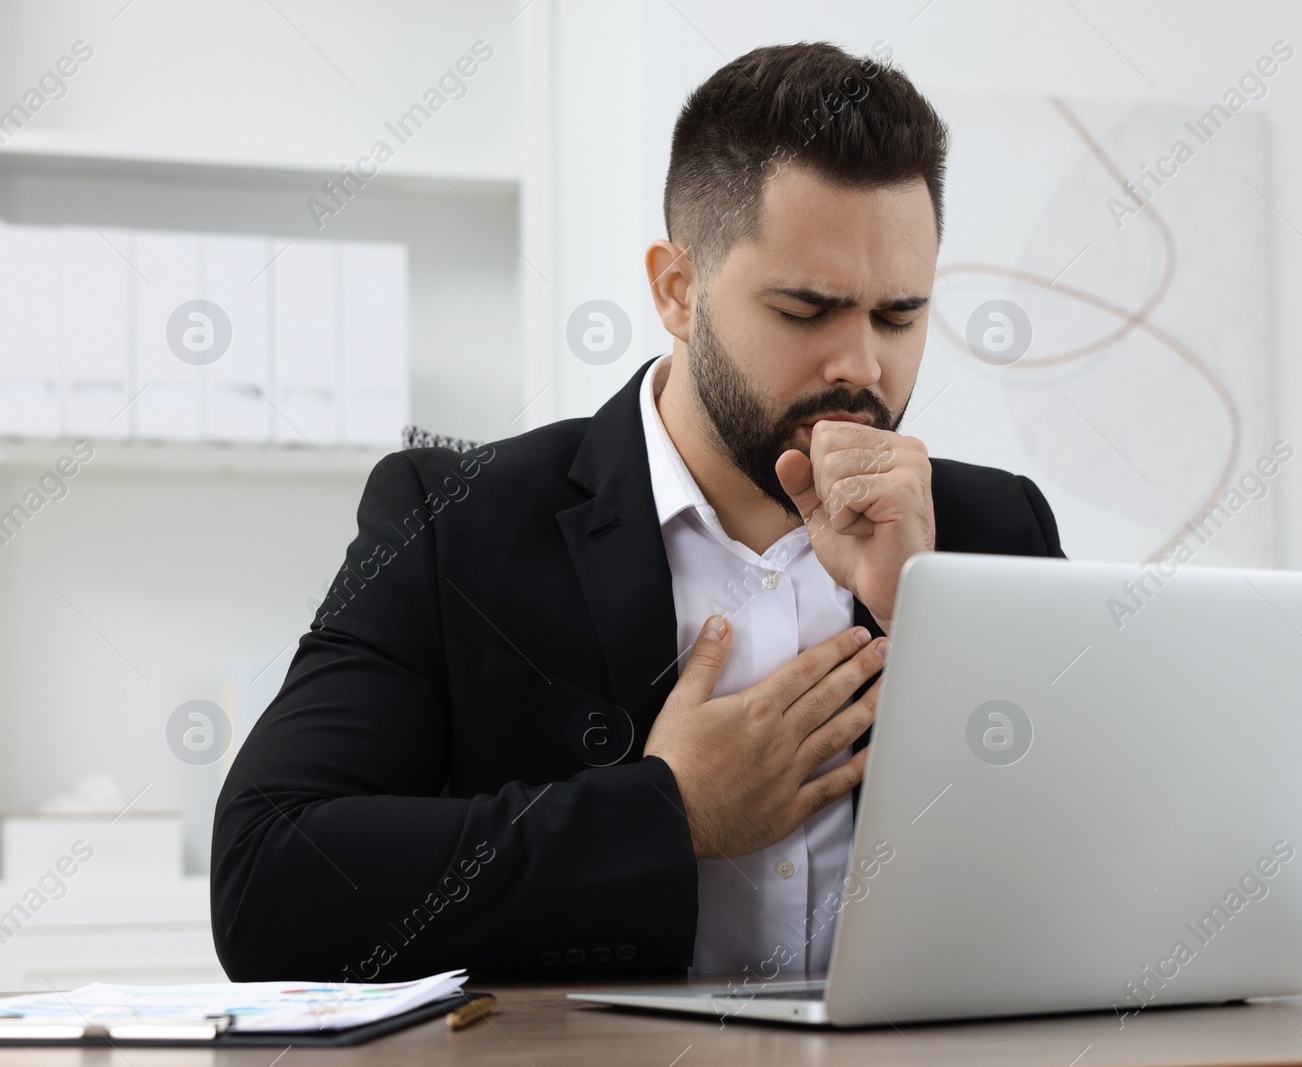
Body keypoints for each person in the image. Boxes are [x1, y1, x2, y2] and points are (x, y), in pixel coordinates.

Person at [211, 40, 1065, 982]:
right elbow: (268, 879)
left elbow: (1099, 872)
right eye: (806, 309)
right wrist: (665, 812)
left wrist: (928, 619)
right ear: (677, 290)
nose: (862, 366)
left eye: (899, 317)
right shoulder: (455, 519)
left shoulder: (990, 531)